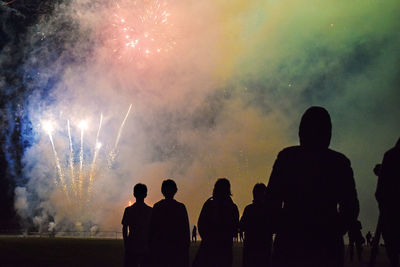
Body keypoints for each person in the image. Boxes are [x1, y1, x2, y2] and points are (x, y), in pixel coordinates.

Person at [267, 106, 359, 267]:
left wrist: (282, 225)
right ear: (328, 133)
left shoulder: (287, 158)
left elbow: (272, 199)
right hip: (327, 245)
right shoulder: (339, 163)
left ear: (301, 131)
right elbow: (350, 206)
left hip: (290, 242)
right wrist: (336, 228)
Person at [193, 178, 239, 267]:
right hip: (225, 249)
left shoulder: (209, 205)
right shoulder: (233, 207)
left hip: (208, 248)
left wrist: (207, 238)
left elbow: (201, 224)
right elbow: (234, 229)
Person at [149, 179, 190, 267]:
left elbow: (151, 229)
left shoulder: (157, 207)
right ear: (175, 190)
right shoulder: (181, 207)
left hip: (160, 248)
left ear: (162, 191)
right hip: (176, 248)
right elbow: (185, 230)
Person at [375, 138, 400, 267]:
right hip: (391, 207)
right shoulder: (391, 156)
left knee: (392, 243)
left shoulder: (391, 155)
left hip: (391, 210)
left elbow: (380, 191)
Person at [240, 183, 273, 267]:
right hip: (264, 250)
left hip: (250, 249)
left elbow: (241, 226)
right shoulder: (269, 211)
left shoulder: (248, 209)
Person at [122, 183, 152, 267]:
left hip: (132, 245)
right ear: (145, 195)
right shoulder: (150, 211)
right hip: (145, 246)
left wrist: (126, 243)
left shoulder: (128, 210)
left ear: (134, 194)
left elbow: (124, 228)